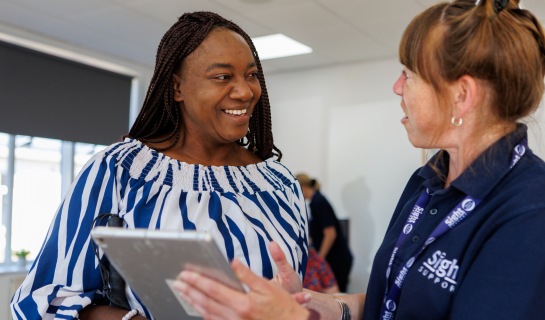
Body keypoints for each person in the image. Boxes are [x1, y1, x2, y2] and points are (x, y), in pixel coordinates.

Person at [172, 0, 545, 319]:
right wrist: (319, 306)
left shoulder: (529, 211)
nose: (397, 87)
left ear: (462, 95)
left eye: (409, 74)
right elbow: (395, 302)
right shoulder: (426, 181)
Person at [10, 12, 309, 320]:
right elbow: (45, 300)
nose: (245, 91)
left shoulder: (279, 184)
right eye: (222, 76)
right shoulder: (120, 170)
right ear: (177, 88)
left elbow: (298, 295)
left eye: (251, 75)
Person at [296, 174, 353, 292]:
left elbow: (330, 234)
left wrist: (319, 260)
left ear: (302, 187)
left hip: (337, 259)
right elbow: (317, 234)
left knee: (336, 299)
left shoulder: (319, 202)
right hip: (332, 258)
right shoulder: (314, 203)